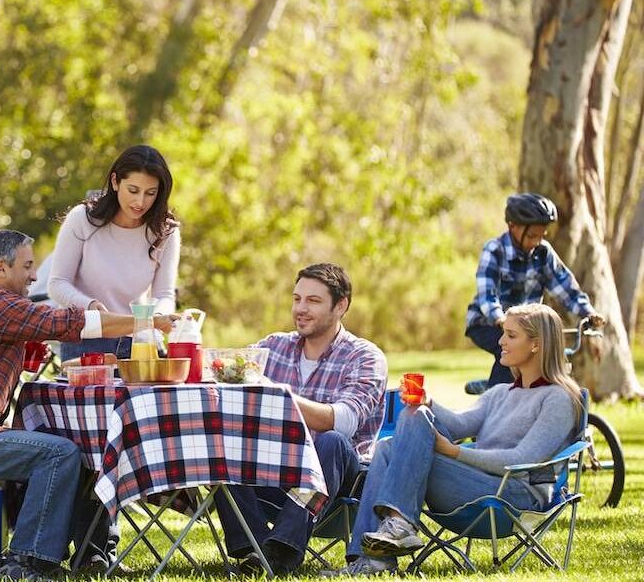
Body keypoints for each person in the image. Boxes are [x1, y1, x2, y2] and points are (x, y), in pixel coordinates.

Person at [0, 229, 175, 581]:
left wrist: (22, 355)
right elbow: (71, 323)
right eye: (28, 266)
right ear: (1, 269)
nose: (34, 275)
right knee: (58, 453)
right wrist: (147, 320)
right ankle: (24, 561)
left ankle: (65, 552)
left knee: (58, 446)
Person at [323, 303, 583, 576]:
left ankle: (391, 536)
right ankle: (377, 552)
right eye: (503, 333)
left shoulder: (559, 398)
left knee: (396, 444)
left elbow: (523, 459)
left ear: (536, 345)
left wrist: (455, 453)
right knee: (395, 438)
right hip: (476, 484)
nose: (501, 341)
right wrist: (427, 402)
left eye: (511, 335)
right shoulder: (501, 393)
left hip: (515, 495)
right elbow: (460, 424)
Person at [214, 263, 387, 576]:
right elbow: (226, 377)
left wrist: (276, 395)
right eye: (297, 299)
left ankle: (280, 550)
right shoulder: (272, 347)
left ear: (341, 305)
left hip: (336, 478)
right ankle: (254, 549)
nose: (301, 309)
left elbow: (343, 422)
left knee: (332, 440)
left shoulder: (365, 356)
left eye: (313, 301)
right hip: (272, 469)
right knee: (223, 441)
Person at [47, 145, 180, 361]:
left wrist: (157, 318)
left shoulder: (165, 232)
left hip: (139, 343)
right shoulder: (83, 219)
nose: (140, 202)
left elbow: (164, 294)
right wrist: (89, 306)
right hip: (86, 340)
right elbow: (57, 284)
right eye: (133, 190)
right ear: (115, 181)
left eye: (150, 193)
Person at [466, 192, 605, 386]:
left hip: (526, 326)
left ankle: (527, 397)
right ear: (512, 226)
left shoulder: (543, 253)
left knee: (539, 355)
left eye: (541, 235)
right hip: (485, 322)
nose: (536, 242)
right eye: (532, 235)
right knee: (509, 347)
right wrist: (501, 319)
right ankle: (496, 401)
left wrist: (587, 312)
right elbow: (486, 296)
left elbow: (565, 287)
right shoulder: (494, 251)